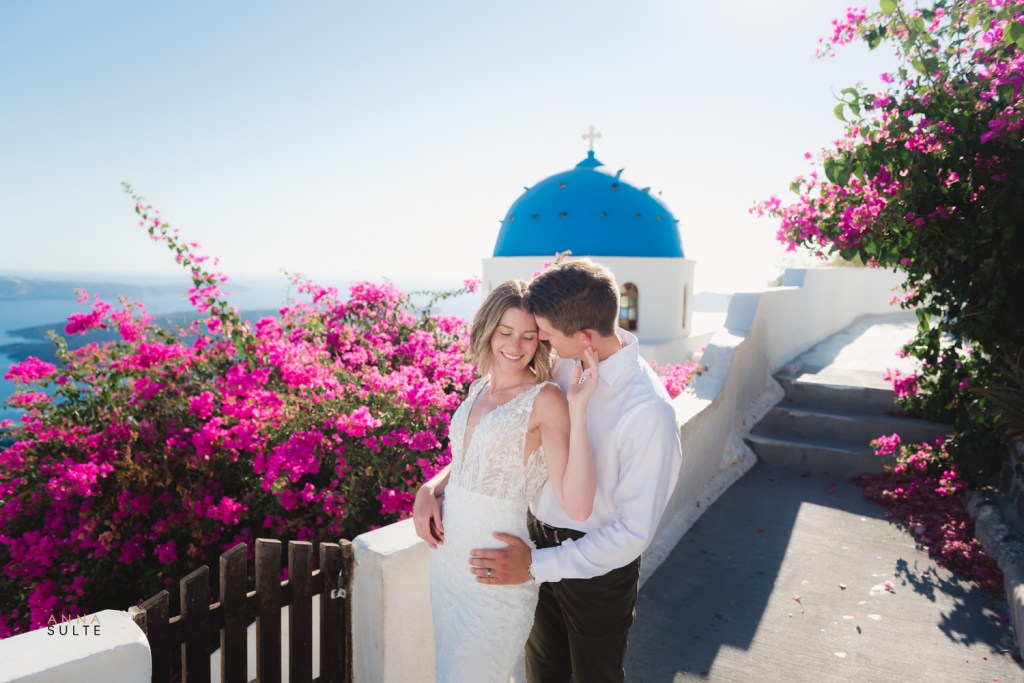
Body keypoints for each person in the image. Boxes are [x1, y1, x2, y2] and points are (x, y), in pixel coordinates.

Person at [468, 260, 683, 683]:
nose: (539, 339)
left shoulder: (648, 412)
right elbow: (505, 435)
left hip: (595, 572)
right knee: (542, 675)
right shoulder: (564, 364)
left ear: (584, 335)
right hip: (530, 542)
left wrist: (539, 565)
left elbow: (633, 532)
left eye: (545, 331)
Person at [413, 279, 600, 683]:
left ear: (540, 342)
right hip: (449, 565)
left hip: (495, 567)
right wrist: (429, 489)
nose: (516, 346)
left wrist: (580, 410)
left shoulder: (545, 399)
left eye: (529, 336)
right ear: (488, 329)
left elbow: (578, 504)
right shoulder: (479, 386)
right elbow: (469, 460)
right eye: (506, 332)